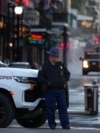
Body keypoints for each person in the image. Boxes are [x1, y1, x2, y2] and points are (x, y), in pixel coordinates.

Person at [38, 47, 70, 129]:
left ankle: (65, 124)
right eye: (52, 56)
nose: (54, 58)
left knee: (63, 107)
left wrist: (64, 80)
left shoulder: (60, 65)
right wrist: (47, 83)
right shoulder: (45, 66)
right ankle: (52, 124)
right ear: (50, 56)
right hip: (50, 91)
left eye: (55, 56)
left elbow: (67, 74)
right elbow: (40, 77)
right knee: (50, 108)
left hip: (60, 90)